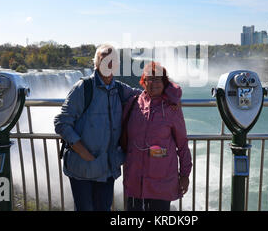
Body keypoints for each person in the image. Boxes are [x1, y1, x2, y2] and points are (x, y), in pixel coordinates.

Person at [54, 44, 141, 211]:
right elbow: (61, 122)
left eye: (112, 60)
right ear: (96, 63)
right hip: (83, 168)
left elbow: (146, 96)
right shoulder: (83, 88)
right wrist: (81, 150)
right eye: (104, 59)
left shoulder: (120, 89)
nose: (109, 64)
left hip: (107, 168)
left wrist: (170, 96)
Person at [122, 61, 192, 211]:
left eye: (158, 79)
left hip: (161, 182)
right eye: (150, 79)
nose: (154, 83)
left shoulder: (171, 107)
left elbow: (182, 143)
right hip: (135, 179)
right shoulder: (134, 103)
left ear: (164, 82)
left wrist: (185, 174)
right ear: (143, 81)